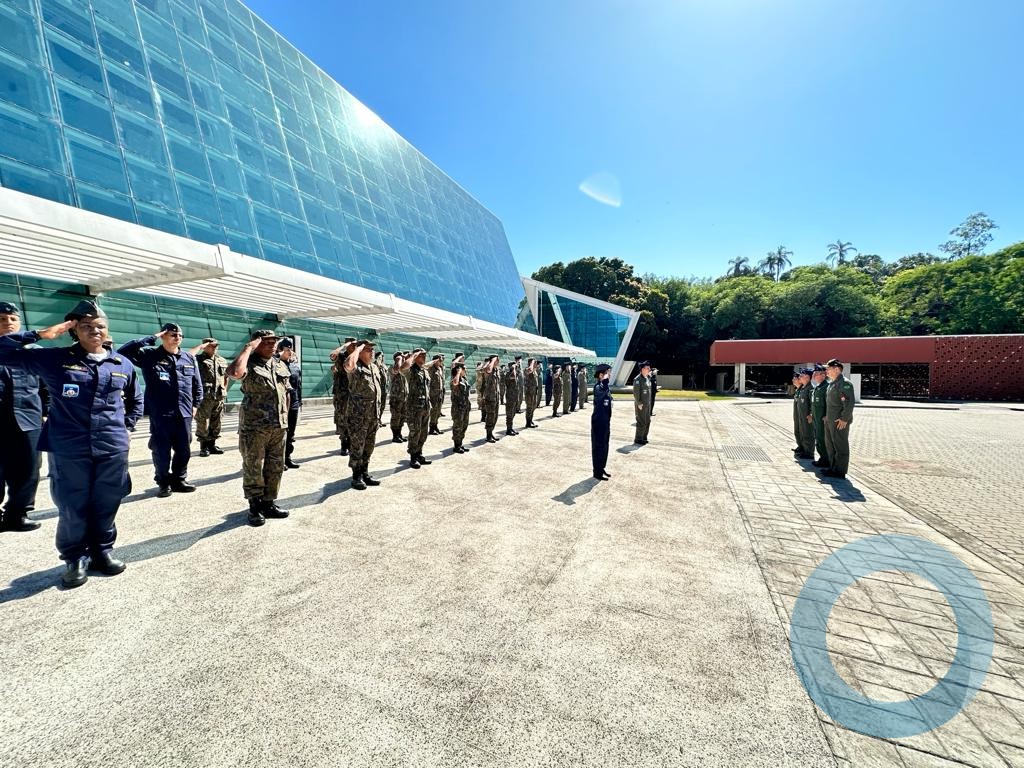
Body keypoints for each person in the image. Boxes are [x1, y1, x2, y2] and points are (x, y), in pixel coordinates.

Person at [0, 300, 142, 587]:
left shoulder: (122, 364)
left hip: (111, 446)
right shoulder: (53, 359)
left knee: (107, 501)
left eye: (100, 325)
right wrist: (42, 334)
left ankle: (102, 551)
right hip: (69, 447)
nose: (95, 330)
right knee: (72, 505)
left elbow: (136, 399)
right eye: (86, 326)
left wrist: (127, 426)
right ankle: (74, 557)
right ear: (74, 330)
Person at [118, 323, 203, 497]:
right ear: (163, 335)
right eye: (172, 334)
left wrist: (195, 406)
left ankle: (179, 479)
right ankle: (163, 482)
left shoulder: (188, 358)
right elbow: (124, 351)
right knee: (161, 450)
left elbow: (197, 385)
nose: (177, 337)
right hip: (161, 414)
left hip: (184, 413)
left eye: (180, 335)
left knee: (184, 450)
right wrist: (153, 337)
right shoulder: (149, 356)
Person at [227, 330, 292, 526]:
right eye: (267, 342)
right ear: (256, 344)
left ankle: (268, 503)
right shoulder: (248, 363)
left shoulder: (279, 364)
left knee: (275, 467)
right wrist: (248, 348)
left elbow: (287, 392)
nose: (272, 345)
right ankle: (254, 507)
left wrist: (285, 418)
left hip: (278, 426)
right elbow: (235, 373)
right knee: (254, 466)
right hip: (254, 427)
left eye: (274, 341)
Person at [0, 300, 43, 532]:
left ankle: (17, 514)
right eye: (2, 319)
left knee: (29, 468)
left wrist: (47, 413)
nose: (8, 322)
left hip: (28, 418)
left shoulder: (34, 353)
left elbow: (47, 386)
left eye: (13, 319)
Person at [344, 339, 382, 490]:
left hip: (373, 415)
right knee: (357, 447)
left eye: (372, 349)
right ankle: (356, 476)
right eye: (368, 349)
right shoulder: (355, 367)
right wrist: (358, 349)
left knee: (369, 447)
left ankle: (365, 472)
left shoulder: (374, 367)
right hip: (358, 417)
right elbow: (348, 365)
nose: (371, 352)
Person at [192, 337, 228, 457]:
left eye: (216, 346)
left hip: (218, 396)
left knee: (217, 421)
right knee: (203, 421)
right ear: (204, 346)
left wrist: (224, 390)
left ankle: (212, 445)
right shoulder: (197, 360)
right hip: (204, 396)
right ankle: (204, 446)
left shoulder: (222, 360)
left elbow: (225, 377)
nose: (215, 348)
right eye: (211, 346)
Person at [822, 358, 856, 479]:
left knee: (840, 446)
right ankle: (833, 468)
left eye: (828, 369)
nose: (827, 371)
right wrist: (827, 416)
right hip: (830, 420)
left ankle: (839, 471)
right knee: (830, 445)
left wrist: (844, 419)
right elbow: (832, 403)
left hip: (839, 421)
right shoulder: (832, 383)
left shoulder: (845, 383)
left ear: (836, 369)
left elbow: (849, 403)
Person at [402, 348, 432, 468]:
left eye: (424, 355)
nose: (424, 357)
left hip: (426, 406)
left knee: (423, 433)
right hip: (414, 408)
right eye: (421, 355)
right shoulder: (411, 371)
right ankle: (413, 457)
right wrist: (414, 355)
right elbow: (402, 368)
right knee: (415, 432)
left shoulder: (424, 371)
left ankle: (419, 454)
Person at [330, 337, 356, 456]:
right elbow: (332, 355)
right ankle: (344, 444)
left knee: (353, 419)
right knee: (343, 419)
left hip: (354, 392)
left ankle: (351, 443)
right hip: (342, 393)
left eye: (355, 345)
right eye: (352, 345)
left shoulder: (356, 356)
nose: (354, 347)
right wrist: (344, 346)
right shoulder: (341, 356)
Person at [278, 339, 302, 469]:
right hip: (280, 406)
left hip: (293, 404)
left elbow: (298, 386)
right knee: (280, 434)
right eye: (287, 349)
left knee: (290, 434)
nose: (290, 351)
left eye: (291, 349)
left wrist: (299, 402)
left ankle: (287, 458)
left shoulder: (294, 366)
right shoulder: (275, 364)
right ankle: (278, 461)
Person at [591, 363, 613, 480]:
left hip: (605, 420)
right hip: (599, 421)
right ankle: (597, 472)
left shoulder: (605, 386)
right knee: (598, 446)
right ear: (601, 375)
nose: (610, 375)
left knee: (605, 445)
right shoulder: (598, 387)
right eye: (607, 373)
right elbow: (601, 392)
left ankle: (601, 467)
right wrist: (605, 381)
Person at [809, 364, 830, 468]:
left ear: (823, 375)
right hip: (816, 418)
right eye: (814, 374)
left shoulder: (826, 387)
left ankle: (826, 460)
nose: (813, 376)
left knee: (822, 439)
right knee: (818, 438)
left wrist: (827, 415)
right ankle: (822, 458)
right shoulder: (818, 387)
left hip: (822, 419)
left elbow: (829, 403)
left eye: (816, 374)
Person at [450, 361, 471, 453]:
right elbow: (455, 383)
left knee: (464, 426)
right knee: (457, 427)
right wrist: (458, 372)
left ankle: (460, 444)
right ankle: (456, 446)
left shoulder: (464, 379)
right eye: (464, 369)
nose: (465, 370)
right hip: (458, 408)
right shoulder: (455, 379)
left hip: (465, 407)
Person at [794, 368, 815, 460]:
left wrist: (811, 414)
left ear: (807, 377)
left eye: (802, 376)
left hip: (807, 416)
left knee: (808, 433)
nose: (800, 377)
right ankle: (804, 450)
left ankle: (809, 453)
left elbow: (812, 403)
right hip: (801, 415)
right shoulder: (803, 388)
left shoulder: (810, 389)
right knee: (803, 432)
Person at [480, 355, 501, 442]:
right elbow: (488, 369)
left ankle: (491, 433)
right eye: (497, 360)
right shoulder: (487, 369)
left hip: (496, 397)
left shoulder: (496, 370)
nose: (498, 361)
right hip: (490, 397)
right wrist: (492, 361)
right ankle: (488, 436)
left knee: (495, 416)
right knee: (490, 417)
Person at [389, 351, 408, 443]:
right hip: (396, 398)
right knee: (396, 417)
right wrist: (399, 359)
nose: (403, 358)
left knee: (402, 417)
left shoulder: (404, 369)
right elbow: (397, 369)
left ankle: (399, 434)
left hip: (404, 397)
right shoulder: (392, 368)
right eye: (401, 357)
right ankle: (395, 435)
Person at [633, 361, 652, 444]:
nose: (649, 370)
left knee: (647, 421)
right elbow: (636, 393)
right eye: (648, 368)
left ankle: (644, 437)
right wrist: (639, 403)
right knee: (641, 422)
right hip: (641, 405)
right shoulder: (637, 379)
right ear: (643, 369)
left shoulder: (646, 378)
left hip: (647, 404)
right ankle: (638, 439)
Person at [428, 354, 444, 435]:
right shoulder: (431, 369)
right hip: (433, 393)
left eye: (441, 360)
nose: (441, 361)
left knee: (438, 411)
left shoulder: (440, 369)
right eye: (440, 360)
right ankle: (431, 428)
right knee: (433, 411)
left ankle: (435, 426)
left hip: (439, 393)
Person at [503, 361, 519, 436]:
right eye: (513, 366)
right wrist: (513, 368)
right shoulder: (508, 374)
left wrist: (516, 367)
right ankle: (508, 430)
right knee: (509, 413)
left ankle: (511, 428)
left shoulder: (515, 372)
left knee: (513, 412)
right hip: (510, 396)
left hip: (515, 396)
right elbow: (513, 376)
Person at [523, 358, 540, 428]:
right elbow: (529, 370)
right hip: (529, 393)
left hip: (534, 392)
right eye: (535, 362)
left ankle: (530, 420)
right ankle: (528, 423)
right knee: (529, 407)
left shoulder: (534, 371)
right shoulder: (526, 369)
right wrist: (532, 363)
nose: (536, 364)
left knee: (533, 406)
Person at [790, 372, 803, 454]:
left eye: (795, 379)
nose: (793, 380)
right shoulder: (798, 390)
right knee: (797, 431)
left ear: (799, 380)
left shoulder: (803, 390)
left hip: (802, 415)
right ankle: (800, 446)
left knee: (802, 432)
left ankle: (804, 448)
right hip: (797, 415)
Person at [375, 350, 388, 428]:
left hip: (384, 389)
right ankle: (376, 421)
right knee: (378, 406)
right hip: (378, 389)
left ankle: (379, 420)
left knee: (382, 406)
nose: (382, 358)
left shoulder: (384, 366)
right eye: (380, 357)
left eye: (382, 356)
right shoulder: (375, 365)